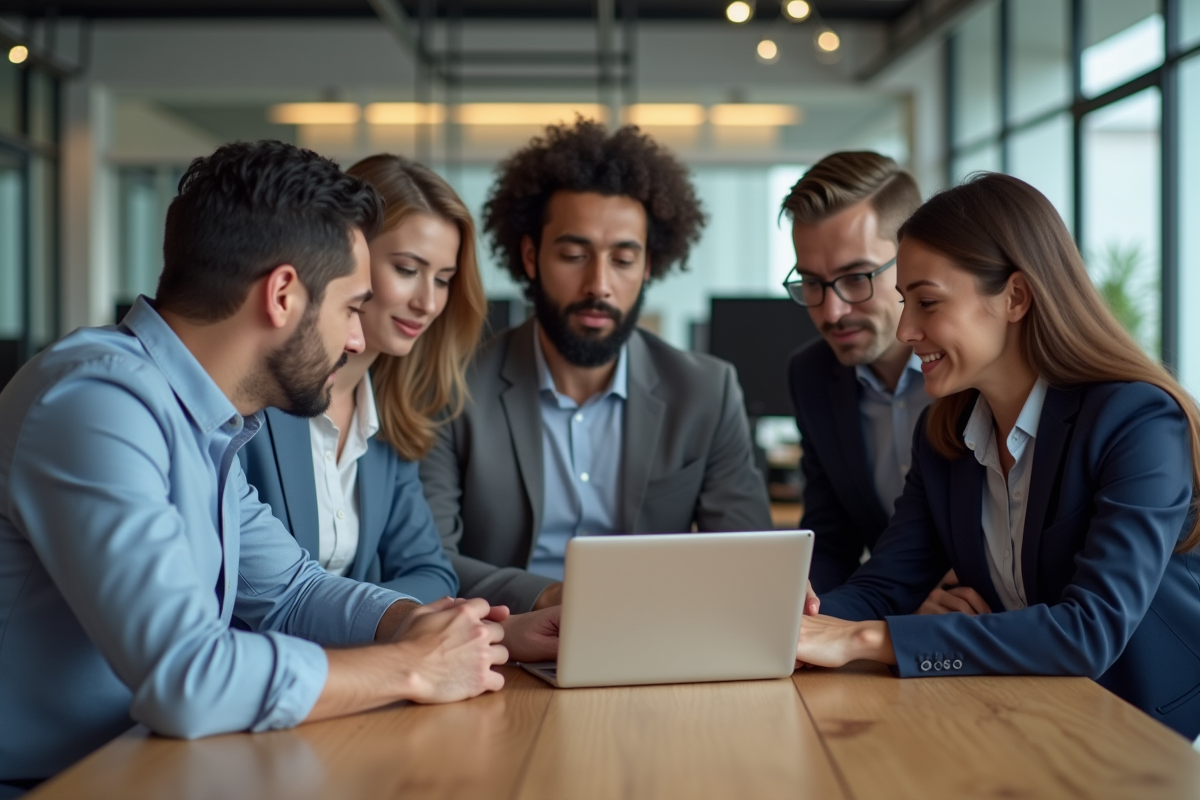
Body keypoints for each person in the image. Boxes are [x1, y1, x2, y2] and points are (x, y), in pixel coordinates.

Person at [0, 141, 513, 791]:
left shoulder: (210, 420)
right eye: (352, 308)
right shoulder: (95, 403)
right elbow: (187, 677)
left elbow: (291, 590)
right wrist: (409, 665)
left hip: (162, 770)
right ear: (282, 295)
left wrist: (411, 621)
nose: (358, 341)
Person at [794, 172, 1200, 739]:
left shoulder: (1137, 420)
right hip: (1020, 705)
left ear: (1015, 297)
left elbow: (1090, 633)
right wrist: (797, 625)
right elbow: (886, 584)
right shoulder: (947, 434)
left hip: (1141, 726)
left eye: (928, 302)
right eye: (905, 301)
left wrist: (863, 638)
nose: (908, 330)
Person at [420, 118, 773, 612]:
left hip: (654, 633)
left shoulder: (706, 391)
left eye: (623, 260)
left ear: (649, 266)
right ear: (530, 256)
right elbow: (426, 558)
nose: (599, 285)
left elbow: (748, 556)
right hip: (503, 642)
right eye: (572, 254)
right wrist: (550, 597)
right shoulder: (452, 386)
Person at [240, 154, 557, 660]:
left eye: (444, 278)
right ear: (349, 258)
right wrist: (382, 611)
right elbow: (262, 595)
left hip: (361, 683)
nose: (428, 302)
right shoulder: (257, 404)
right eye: (407, 270)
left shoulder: (390, 417)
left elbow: (433, 572)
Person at [783, 152, 976, 614]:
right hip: (886, 620)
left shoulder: (971, 367)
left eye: (855, 278)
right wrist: (805, 610)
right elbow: (830, 539)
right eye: (812, 282)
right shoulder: (811, 375)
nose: (831, 312)